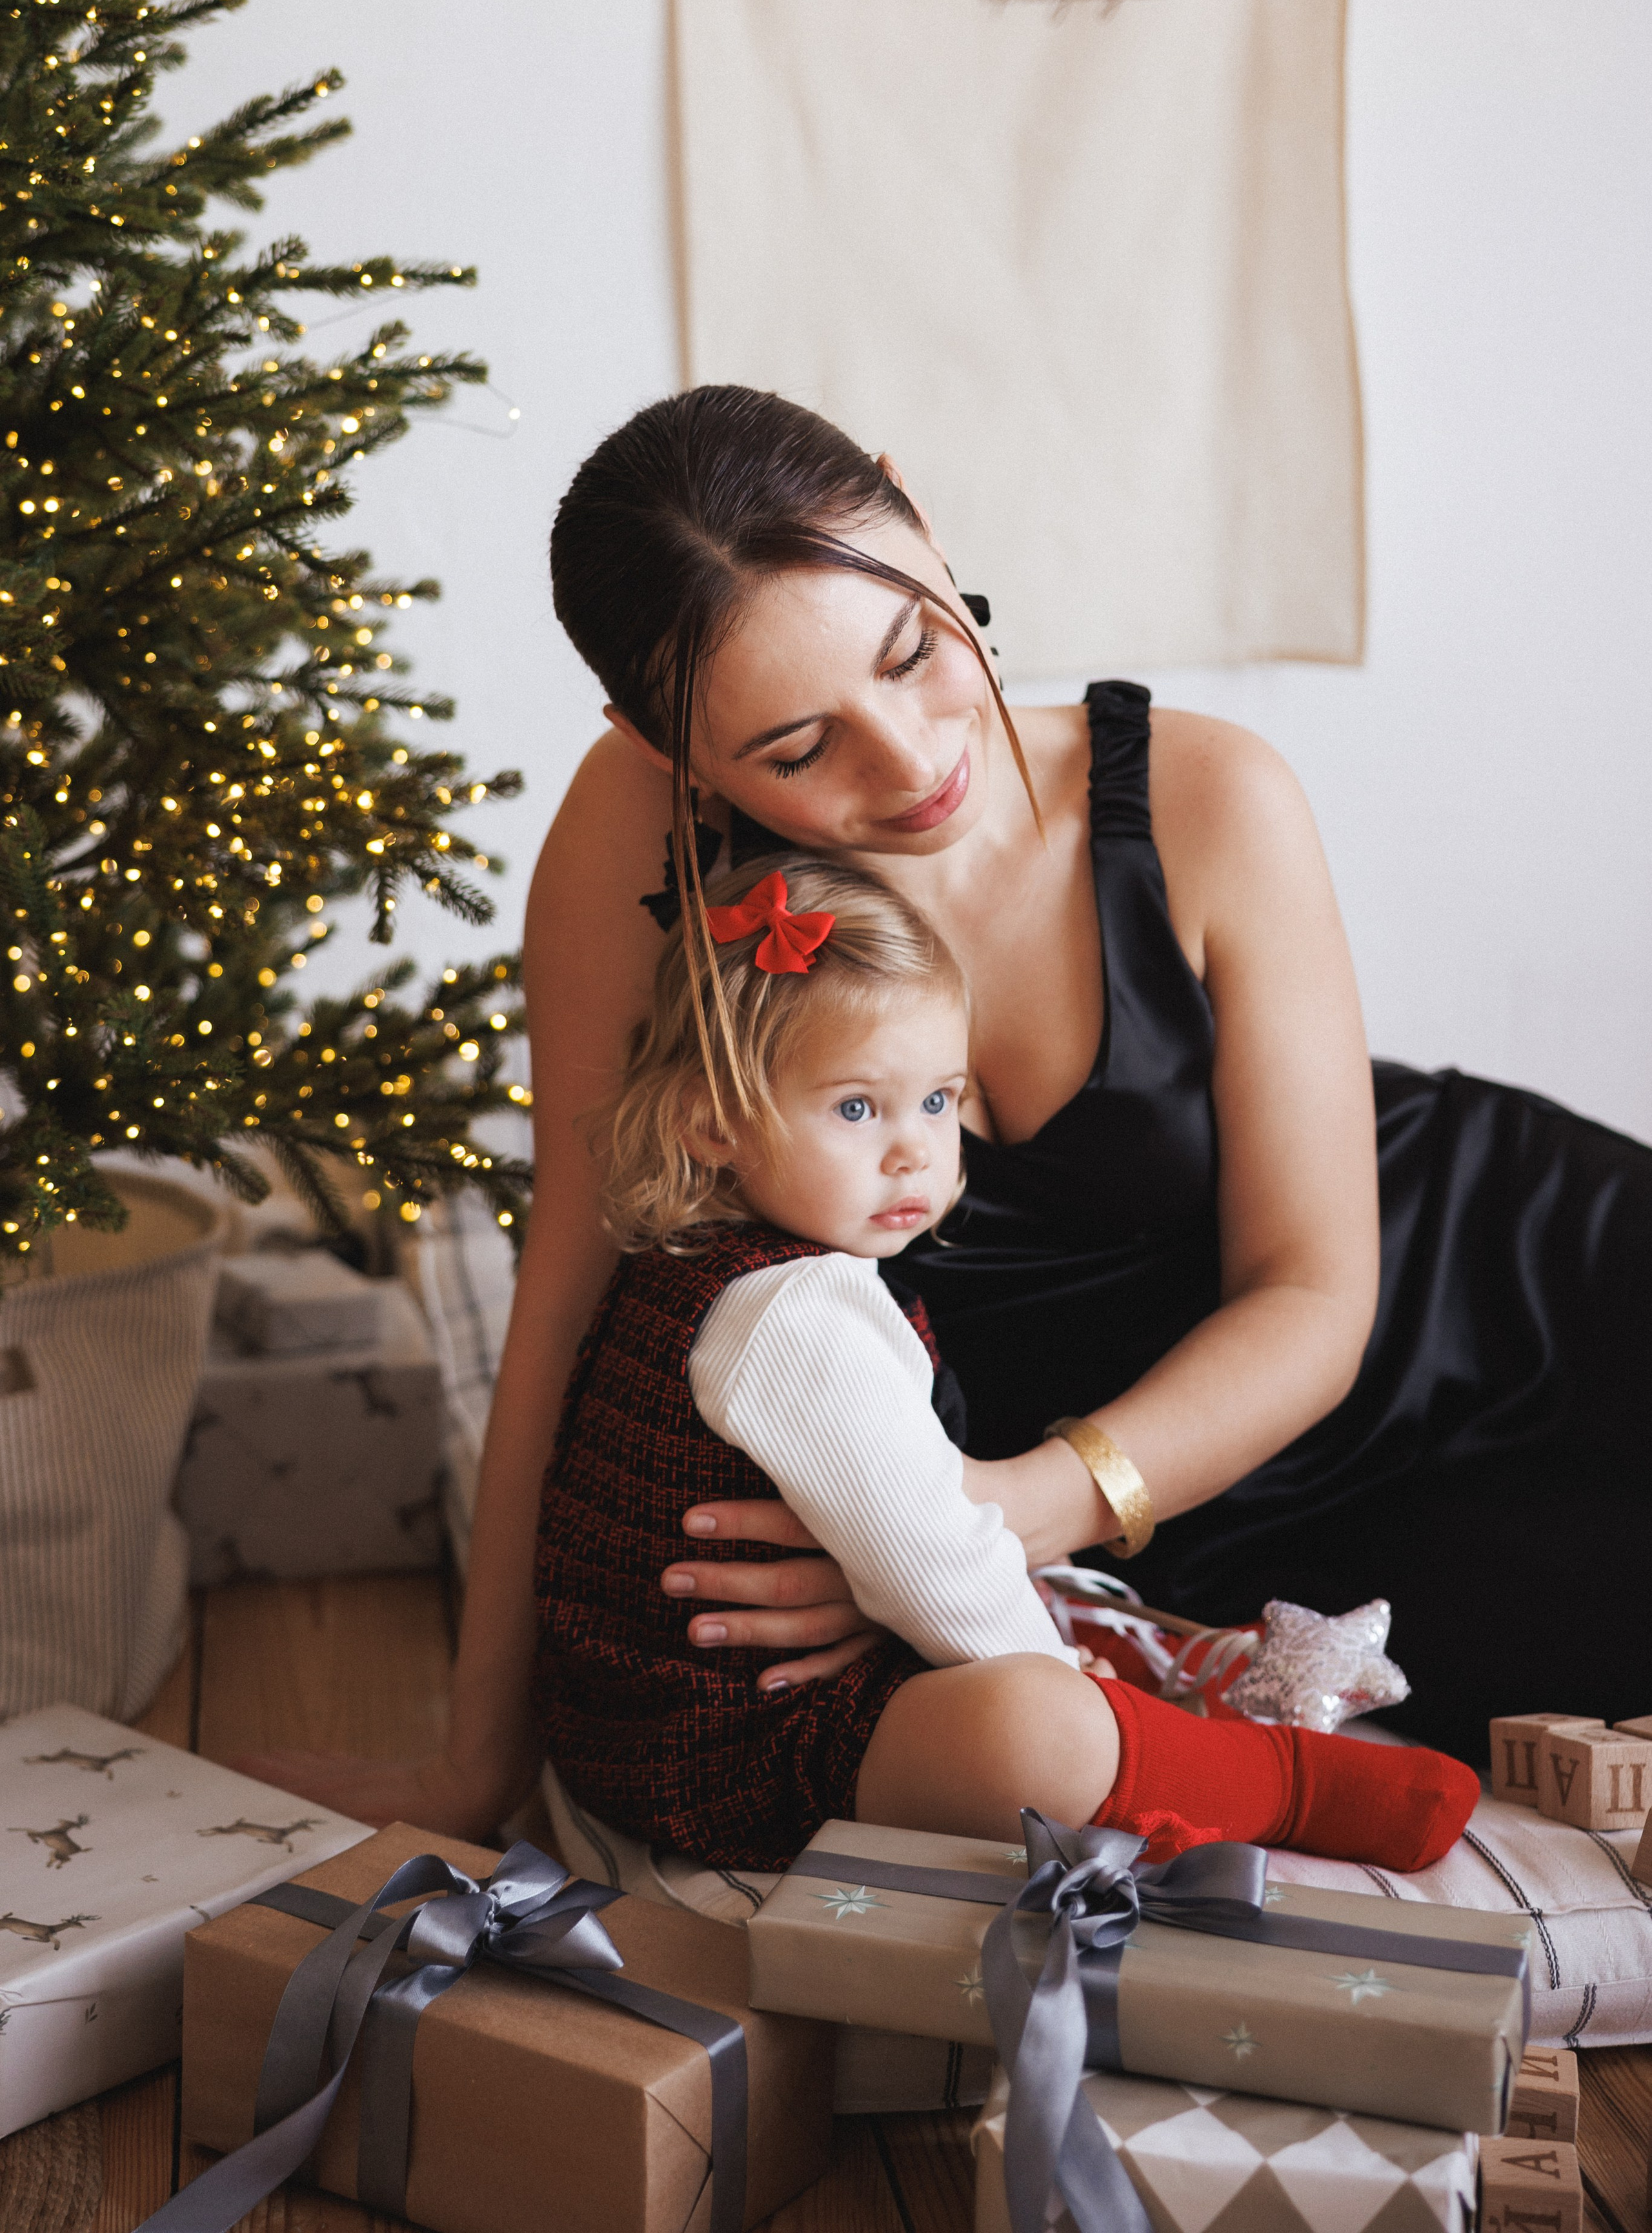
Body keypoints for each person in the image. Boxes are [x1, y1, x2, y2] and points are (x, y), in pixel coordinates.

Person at [239, 383, 1652, 1834]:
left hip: (1469, 1269)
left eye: (915, 648)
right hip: (1201, 1540)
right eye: (796, 750)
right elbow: (567, 1287)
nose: (913, 760)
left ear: (912, 511)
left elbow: (1312, 1292)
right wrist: (477, 1760)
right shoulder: (631, 844)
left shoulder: (1209, 793)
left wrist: (1001, 1512)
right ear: (662, 747)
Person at [534, 847, 1476, 1872]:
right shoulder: (793, 1313)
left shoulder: (701, 1263)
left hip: (642, 1722)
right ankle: (1277, 1782)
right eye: (857, 1108)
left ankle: (1178, 1719)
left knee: (1045, 1617)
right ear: (712, 1119)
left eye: (939, 1100)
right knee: (1032, 1727)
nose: (914, 1150)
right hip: (731, 1742)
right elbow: (933, 1559)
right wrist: (1066, 1689)